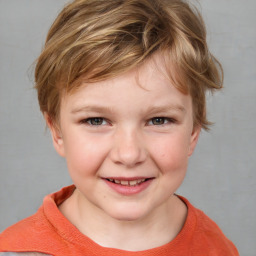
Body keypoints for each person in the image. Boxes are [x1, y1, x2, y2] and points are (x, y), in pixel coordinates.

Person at [0, 0, 239, 255]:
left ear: (194, 131)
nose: (128, 154)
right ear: (57, 132)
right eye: (96, 121)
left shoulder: (217, 249)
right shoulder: (16, 250)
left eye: (159, 120)